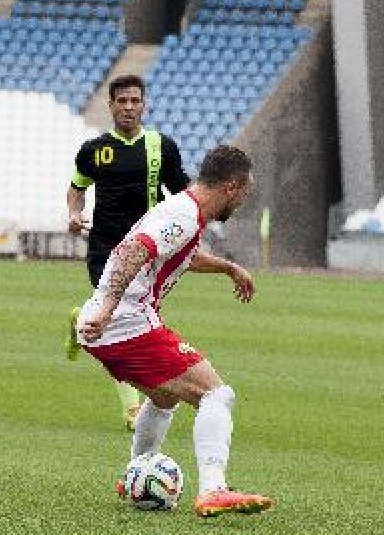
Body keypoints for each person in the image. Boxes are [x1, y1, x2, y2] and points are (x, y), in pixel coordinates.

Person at [77, 145, 273, 518]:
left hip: (118, 323)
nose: (242, 203)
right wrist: (107, 309)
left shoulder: (184, 212)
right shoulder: (184, 215)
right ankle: (213, 489)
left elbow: (180, 253)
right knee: (217, 394)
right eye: (244, 194)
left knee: (164, 399)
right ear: (231, 187)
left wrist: (228, 268)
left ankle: (134, 475)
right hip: (125, 323)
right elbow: (134, 251)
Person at [66, 74, 190, 429]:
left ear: (144, 105)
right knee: (118, 319)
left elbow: (183, 194)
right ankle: (132, 408)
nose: (129, 107)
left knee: (129, 317)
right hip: (105, 247)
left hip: (147, 250)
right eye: (122, 101)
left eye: (135, 101)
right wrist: (74, 214)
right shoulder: (93, 150)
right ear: (111, 105)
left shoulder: (161, 147)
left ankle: (80, 320)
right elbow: (76, 188)